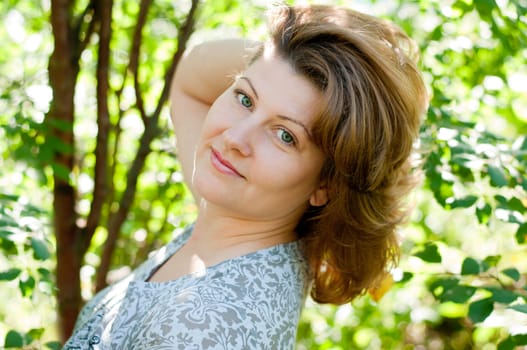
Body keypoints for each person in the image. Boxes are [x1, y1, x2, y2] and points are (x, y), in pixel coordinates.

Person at [63, 3, 427, 349]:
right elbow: (190, 76)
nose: (235, 138)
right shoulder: (236, 219)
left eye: (285, 136)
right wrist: (285, 50)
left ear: (325, 185)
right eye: (245, 99)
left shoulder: (201, 330)